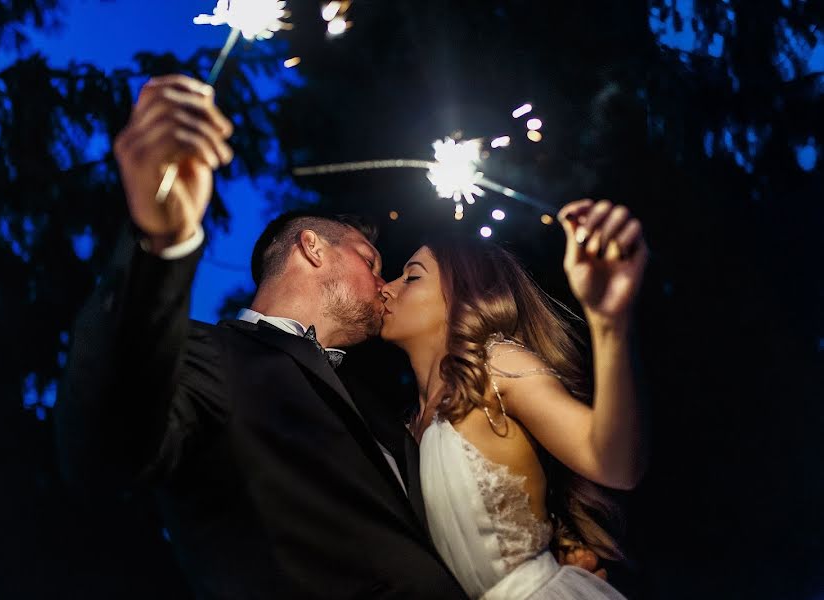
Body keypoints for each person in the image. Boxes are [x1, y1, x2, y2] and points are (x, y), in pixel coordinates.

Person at [55, 74, 604, 598]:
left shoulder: (388, 409)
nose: (386, 285)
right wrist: (161, 246)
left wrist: (552, 549)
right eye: (371, 261)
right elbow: (109, 445)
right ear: (313, 248)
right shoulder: (212, 358)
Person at [378, 202, 649, 598]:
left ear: (460, 295)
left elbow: (615, 464)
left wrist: (610, 324)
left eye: (411, 277)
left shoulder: (496, 365)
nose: (388, 287)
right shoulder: (407, 427)